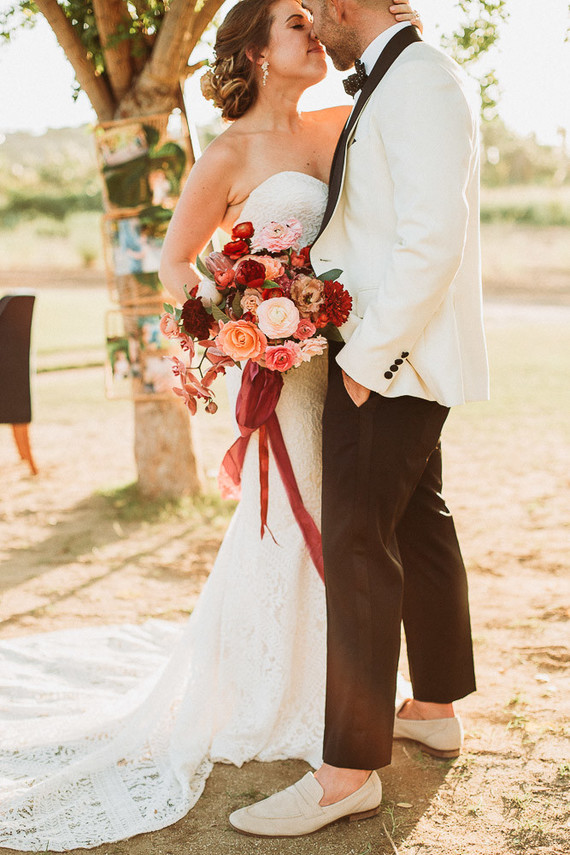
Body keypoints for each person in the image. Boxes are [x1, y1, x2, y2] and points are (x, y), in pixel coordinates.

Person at [0, 1, 422, 850]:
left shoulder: (341, 122)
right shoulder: (228, 153)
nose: (316, 32)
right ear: (260, 52)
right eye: (297, 24)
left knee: (355, 531)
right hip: (281, 376)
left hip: (354, 371)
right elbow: (175, 264)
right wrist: (244, 333)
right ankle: (275, 696)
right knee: (286, 528)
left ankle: (345, 702)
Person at [228, 0, 490, 838]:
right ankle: (435, 707)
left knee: (357, 548)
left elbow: (432, 239)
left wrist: (362, 363)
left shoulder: (416, 80)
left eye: (317, 10)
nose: (316, 24)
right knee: (418, 523)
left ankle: (345, 773)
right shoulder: (402, 80)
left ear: (346, 5)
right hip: (395, 358)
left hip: (388, 361)